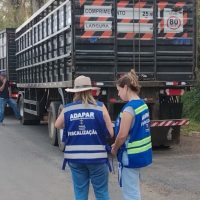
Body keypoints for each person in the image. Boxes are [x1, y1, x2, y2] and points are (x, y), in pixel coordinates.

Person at [55, 75, 114, 200]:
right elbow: (111, 132)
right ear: (90, 90)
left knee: (80, 192)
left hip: (75, 158)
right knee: (102, 193)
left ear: (75, 92)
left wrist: (72, 124)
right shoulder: (100, 107)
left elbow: (57, 124)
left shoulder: (68, 108)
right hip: (97, 158)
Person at [111, 69, 152, 200]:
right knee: (133, 188)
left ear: (126, 88)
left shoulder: (129, 109)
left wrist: (115, 148)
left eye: (119, 90)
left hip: (129, 156)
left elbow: (122, 135)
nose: (118, 94)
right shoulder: (142, 105)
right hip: (140, 154)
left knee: (130, 192)